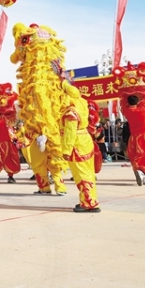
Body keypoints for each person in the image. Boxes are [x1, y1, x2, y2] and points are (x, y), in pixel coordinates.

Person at [60, 80, 100, 213]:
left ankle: (88, 203)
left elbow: (70, 132)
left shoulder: (71, 111)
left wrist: (66, 149)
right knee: (88, 173)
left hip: (76, 143)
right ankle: (92, 201)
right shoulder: (82, 104)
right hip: (85, 140)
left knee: (81, 174)